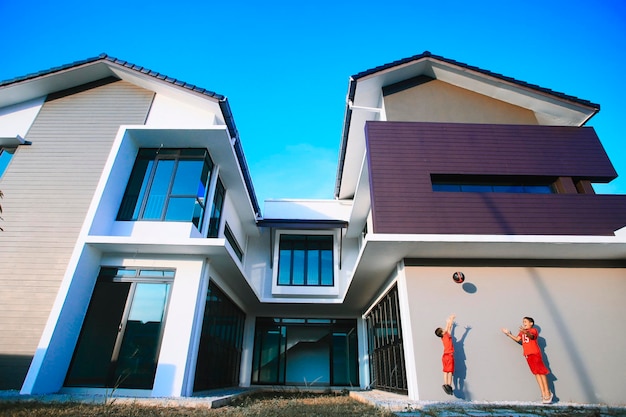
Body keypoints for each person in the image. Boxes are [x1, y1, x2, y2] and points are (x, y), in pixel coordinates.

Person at [502, 317, 553, 403]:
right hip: (527, 355)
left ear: (531, 323)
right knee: (536, 373)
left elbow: (532, 337)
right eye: (523, 322)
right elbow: (518, 339)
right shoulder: (522, 332)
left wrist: (526, 332)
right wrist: (508, 334)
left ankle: (548, 393)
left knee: (541, 372)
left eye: (525, 321)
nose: (524, 323)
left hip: (535, 353)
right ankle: (543, 394)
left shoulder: (533, 330)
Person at [435, 314, 455, 395]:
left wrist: (450, 322)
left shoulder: (444, 337)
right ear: (443, 332)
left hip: (444, 356)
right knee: (450, 371)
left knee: (445, 371)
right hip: (449, 355)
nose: (445, 329)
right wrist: (450, 320)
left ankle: (445, 383)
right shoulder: (446, 336)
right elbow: (448, 328)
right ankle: (449, 385)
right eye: (443, 329)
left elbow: (448, 328)